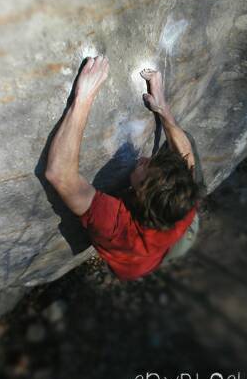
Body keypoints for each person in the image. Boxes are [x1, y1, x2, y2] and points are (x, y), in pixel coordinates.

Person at [45, 55, 203, 280]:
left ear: (138, 197)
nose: (145, 160)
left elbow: (59, 174)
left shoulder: (117, 228)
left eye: (144, 173)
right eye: (154, 162)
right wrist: (162, 108)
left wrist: (85, 96)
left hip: (135, 265)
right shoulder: (183, 200)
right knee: (185, 143)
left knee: (151, 258)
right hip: (174, 235)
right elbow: (186, 158)